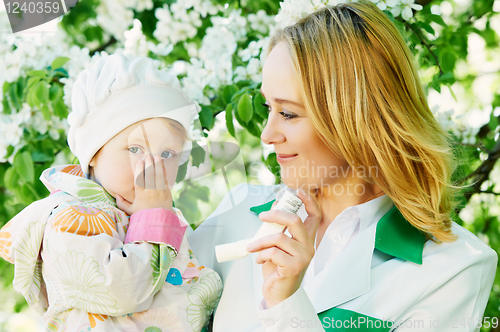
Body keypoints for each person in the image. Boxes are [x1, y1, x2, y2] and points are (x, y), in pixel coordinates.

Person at [189, 2, 497, 331]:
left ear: (356, 118)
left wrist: (286, 306)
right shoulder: (240, 213)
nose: (267, 134)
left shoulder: (454, 268)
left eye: (288, 114)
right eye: (268, 107)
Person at [0, 54, 222, 331]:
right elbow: (121, 290)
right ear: (93, 153)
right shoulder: (71, 217)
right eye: (134, 149)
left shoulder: (155, 214)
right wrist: (152, 219)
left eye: (167, 153)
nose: (151, 166)